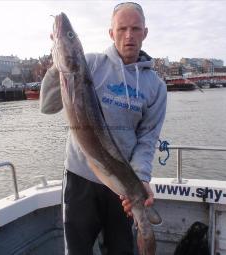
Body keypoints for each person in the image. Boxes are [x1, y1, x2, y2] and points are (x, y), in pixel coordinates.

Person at [40, 2, 167, 254]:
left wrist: (141, 178)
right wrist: (58, 65)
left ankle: (145, 232)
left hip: (122, 184)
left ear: (145, 32)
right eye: (122, 29)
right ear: (111, 33)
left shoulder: (156, 87)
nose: (129, 35)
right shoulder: (89, 65)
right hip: (80, 179)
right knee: (77, 250)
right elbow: (48, 105)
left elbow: (147, 139)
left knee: (120, 249)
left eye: (135, 28)